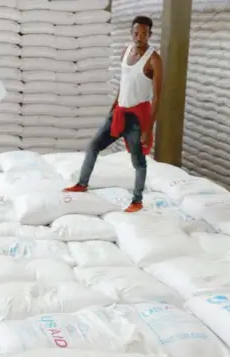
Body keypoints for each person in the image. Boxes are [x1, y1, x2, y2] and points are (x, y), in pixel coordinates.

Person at [64, 15, 163, 213]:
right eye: (136, 33)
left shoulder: (154, 59)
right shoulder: (125, 52)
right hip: (119, 111)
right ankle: (82, 184)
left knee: (138, 160)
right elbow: (124, 83)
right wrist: (113, 106)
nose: (139, 37)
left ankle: (137, 200)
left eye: (144, 33)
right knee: (93, 145)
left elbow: (158, 97)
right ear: (131, 33)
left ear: (150, 35)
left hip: (136, 118)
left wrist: (148, 128)